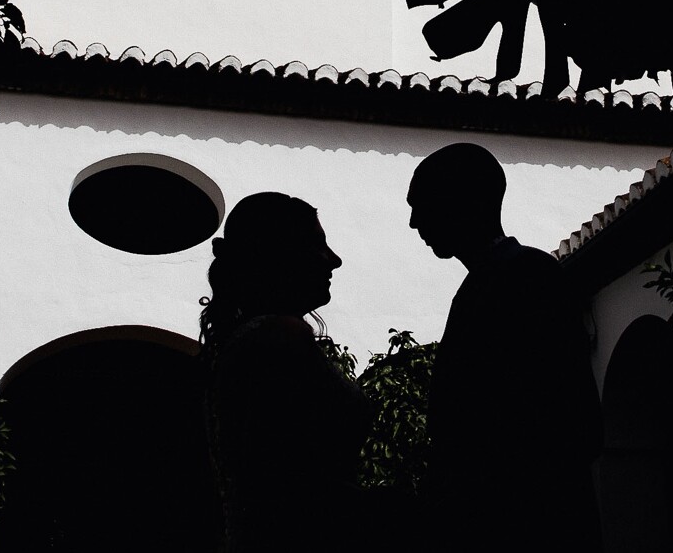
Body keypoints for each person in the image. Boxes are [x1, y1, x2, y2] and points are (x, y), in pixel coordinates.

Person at [407, 142, 604, 550]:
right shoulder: (506, 276)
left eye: (422, 202)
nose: (414, 222)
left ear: (466, 200)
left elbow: (557, 416)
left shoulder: (523, 277)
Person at [200, 192, 367, 552]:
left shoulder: (249, 341)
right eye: (317, 245)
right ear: (282, 255)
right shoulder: (280, 340)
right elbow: (295, 483)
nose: (333, 260)